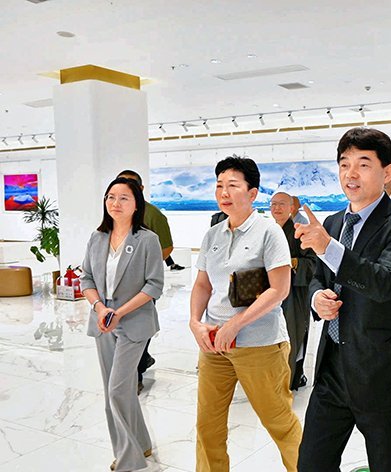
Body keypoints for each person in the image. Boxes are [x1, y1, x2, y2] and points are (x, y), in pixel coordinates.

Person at [295, 127, 391, 472]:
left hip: (382, 374)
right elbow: (318, 277)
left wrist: (327, 247)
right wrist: (316, 298)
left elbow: (386, 283)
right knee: (312, 464)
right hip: (332, 371)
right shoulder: (333, 221)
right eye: (344, 164)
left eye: (363, 164)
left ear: (388, 172)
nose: (351, 174)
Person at [189, 156, 302, 471]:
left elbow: (279, 289)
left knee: (279, 422)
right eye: (219, 186)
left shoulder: (268, 232)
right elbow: (202, 285)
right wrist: (195, 322)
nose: (224, 193)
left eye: (232, 186)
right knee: (208, 425)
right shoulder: (213, 234)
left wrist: (236, 324)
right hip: (214, 344)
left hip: (260, 344)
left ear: (252, 193)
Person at [80, 177, 164, 471]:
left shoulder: (147, 240)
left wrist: (120, 311)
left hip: (134, 323)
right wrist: (100, 308)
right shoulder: (97, 238)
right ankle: (142, 443)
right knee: (116, 390)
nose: (115, 203)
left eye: (124, 198)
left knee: (117, 390)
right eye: (111, 197)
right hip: (103, 322)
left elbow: (154, 285)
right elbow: (86, 278)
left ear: (136, 204)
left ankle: (129, 459)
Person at [117, 169, 181, 395]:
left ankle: (136, 375)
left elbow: (167, 247)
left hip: (142, 286)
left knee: (138, 329)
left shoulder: (153, 214)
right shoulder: (115, 212)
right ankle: (139, 363)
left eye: (131, 184)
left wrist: (144, 267)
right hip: (116, 286)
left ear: (141, 189)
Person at [269, 191, 317, 390]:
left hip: (293, 294)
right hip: (268, 294)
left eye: (282, 204)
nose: (277, 208)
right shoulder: (267, 231)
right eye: (273, 204)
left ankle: (288, 380)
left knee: (292, 334)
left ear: (291, 208)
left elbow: (313, 264)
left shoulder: (300, 233)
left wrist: (293, 263)